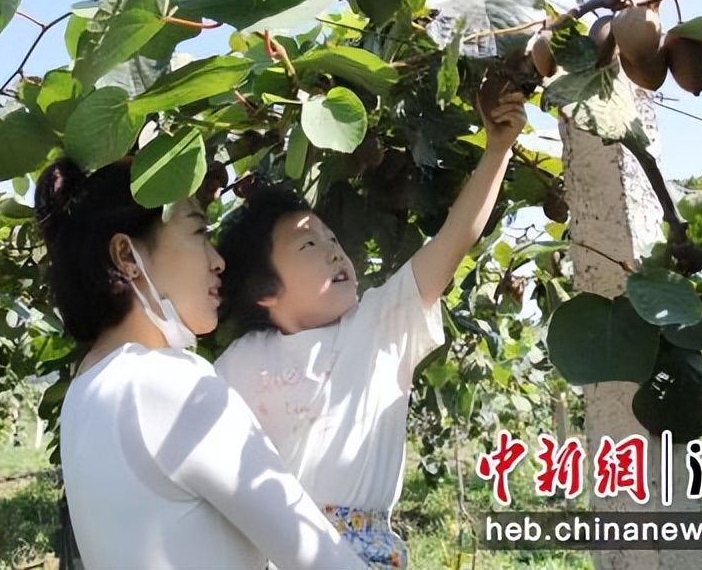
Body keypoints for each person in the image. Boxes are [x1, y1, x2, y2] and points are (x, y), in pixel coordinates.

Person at [214, 86, 528, 568]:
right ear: (265, 292)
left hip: (359, 552)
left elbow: (450, 242)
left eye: (331, 237)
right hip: (268, 550)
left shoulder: (381, 325)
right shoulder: (239, 361)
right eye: (308, 246)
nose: (334, 250)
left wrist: (497, 151)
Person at [34, 156, 368, 570]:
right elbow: (322, 560)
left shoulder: (85, 390)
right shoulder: (172, 382)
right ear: (126, 254)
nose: (218, 261)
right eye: (199, 232)